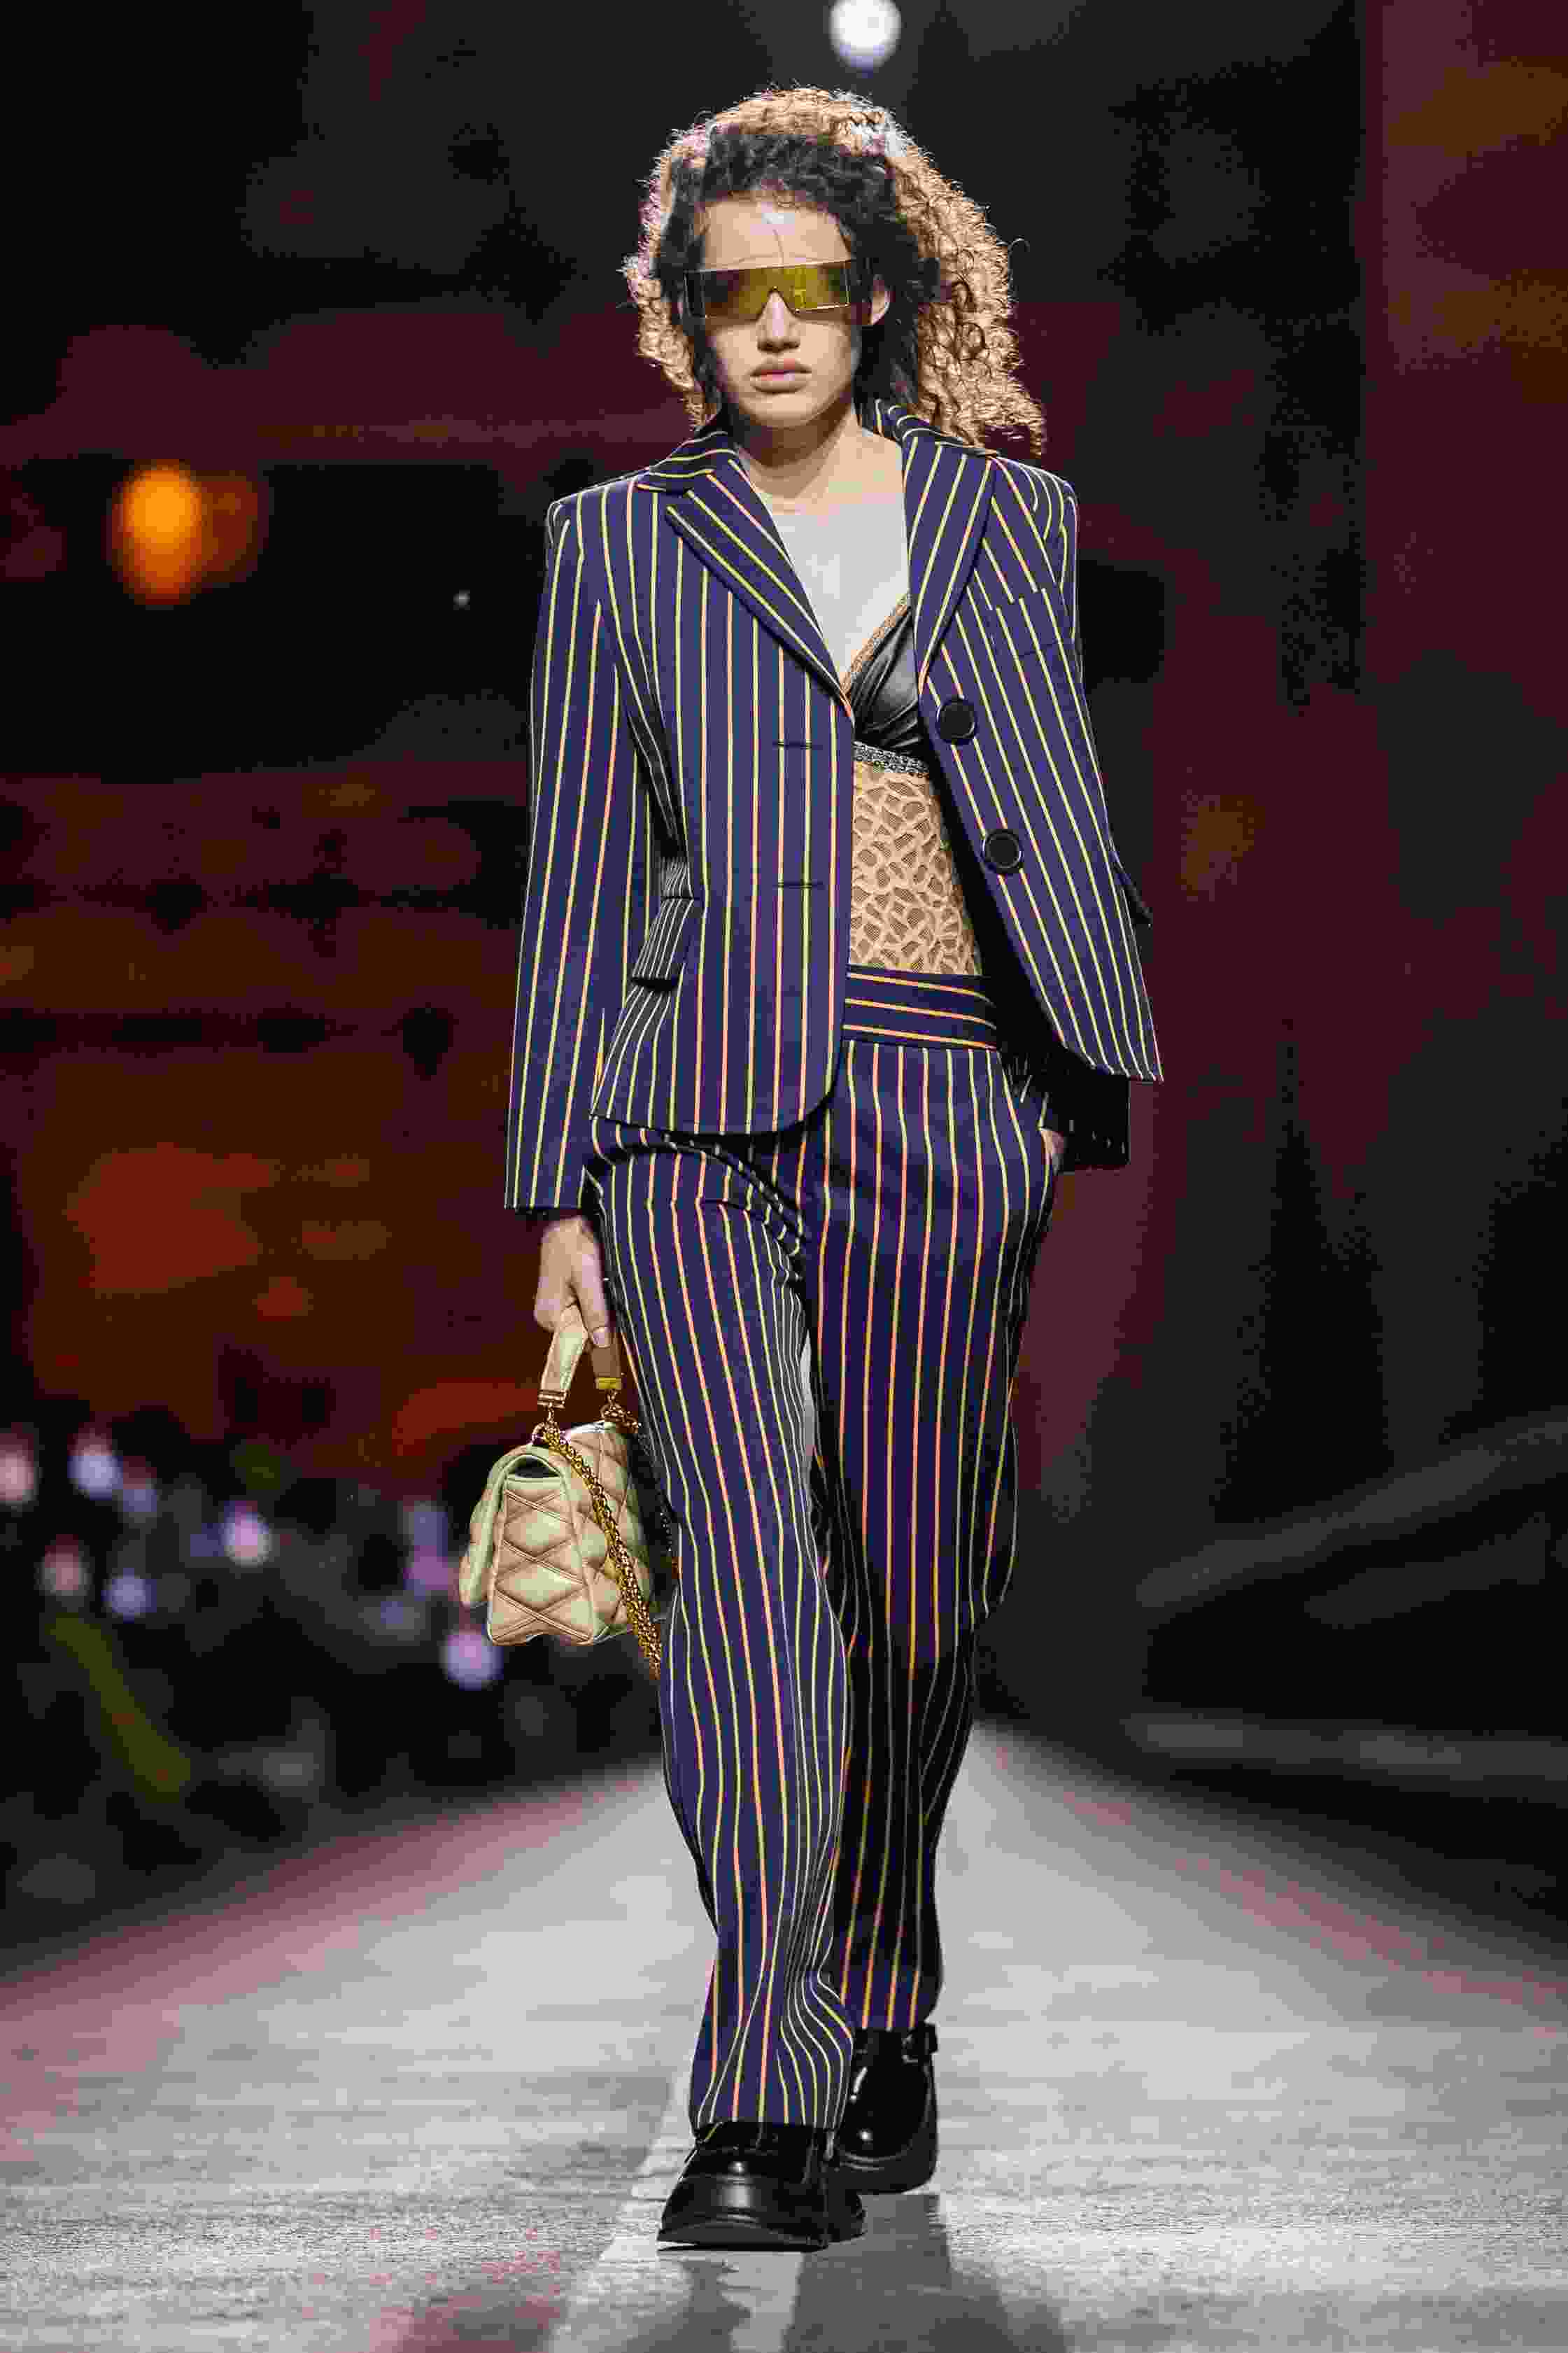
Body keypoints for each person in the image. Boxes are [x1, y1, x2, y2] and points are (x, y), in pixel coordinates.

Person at [508, 84, 1163, 2252]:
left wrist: (1057, 1091)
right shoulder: (618, 547)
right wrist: (560, 1191)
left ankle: (879, 1990)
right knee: (750, 1585)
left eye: (810, 285)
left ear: (877, 299)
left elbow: (1050, 804)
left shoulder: (1005, 522)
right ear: (685, 320)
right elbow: (582, 878)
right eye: (731, 295)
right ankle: (762, 2093)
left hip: (942, 1087)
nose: (773, 324)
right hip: (692, 1115)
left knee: (914, 1592)